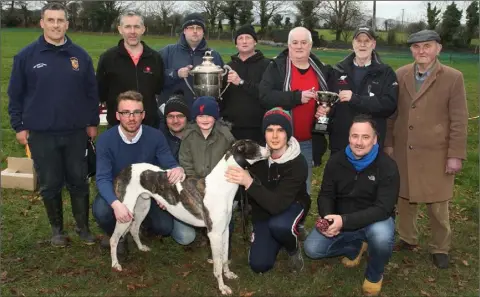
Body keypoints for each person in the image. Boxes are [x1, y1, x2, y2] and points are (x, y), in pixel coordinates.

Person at [7, 2, 99, 247]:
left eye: (61, 21)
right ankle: (57, 230)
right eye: (51, 20)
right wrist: (19, 126)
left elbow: (92, 93)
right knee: (50, 183)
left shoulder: (80, 56)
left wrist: (92, 122)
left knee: (79, 181)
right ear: (42, 23)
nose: (56, 25)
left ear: (67, 24)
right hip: (41, 133)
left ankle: (83, 228)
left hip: (75, 132)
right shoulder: (27, 56)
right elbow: (15, 95)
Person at [384, 30, 468, 269]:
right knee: (404, 199)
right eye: (416, 47)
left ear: (438, 48)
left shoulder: (453, 77)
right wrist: (388, 143)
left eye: (427, 46)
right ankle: (407, 238)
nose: (421, 51)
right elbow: (391, 114)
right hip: (403, 151)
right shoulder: (400, 75)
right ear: (411, 50)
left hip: (436, 154)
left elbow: (459, 120)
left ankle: (440, 247)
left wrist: (455, 154)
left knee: (438, 205)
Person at [304, 115, 400, 296]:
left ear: (375, 139)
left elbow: (383, 208)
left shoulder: (387, 166)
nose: (359, 142)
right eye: (355, 136)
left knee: (381, 237)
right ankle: (355, 246)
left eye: (365, 137)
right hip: (341, 221)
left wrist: (344, 221)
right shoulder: (336, 161)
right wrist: (328, 218)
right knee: (312, 249)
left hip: (374, 221)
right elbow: (326, 194)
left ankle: (374, 274)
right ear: (349, 137)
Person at [92, 91, 195, 253]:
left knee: (165, 227)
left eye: (136, 112)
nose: (131, 118)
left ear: (143, 115)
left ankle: (138, 226)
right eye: (126, 113)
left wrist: (177, 169)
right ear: (118, 115)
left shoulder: (155, 136)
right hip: (118, 189)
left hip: (148, 188)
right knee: (102, 211)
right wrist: (116, 204)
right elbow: (103, 178)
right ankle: (118, 234)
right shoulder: (106, 140)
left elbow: (168, 162)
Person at [259, 26, 334, 238]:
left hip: (308, 140)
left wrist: (325, 108)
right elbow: (264, 96)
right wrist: (295, 97)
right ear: (288, 45)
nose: (299, 46)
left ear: (310, 45)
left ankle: (297, 224)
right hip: (279, 141)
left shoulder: (320, 68)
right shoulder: (277, 67)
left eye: (304, 42)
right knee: (277, 184)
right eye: (295, 42)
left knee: (304, 186)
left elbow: (329, 97)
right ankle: (273, 223)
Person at [225, 107, 310, 273]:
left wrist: (248, 181)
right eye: (270, 130)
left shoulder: (298, 162)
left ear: (288, 134)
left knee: (280, 225)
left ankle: (292, 247)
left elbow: (277, 204)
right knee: (259, 265)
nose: (275, 136)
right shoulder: (256, 156)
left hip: (290, 206)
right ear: (264, 133)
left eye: (280, 130)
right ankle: (278, 238)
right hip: (263, 212)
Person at [318, 26, 398, 153]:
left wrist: (356, 99)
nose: (362, 45)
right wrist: (327, 109)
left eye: (367, 41)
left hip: (370, 145)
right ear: (353, 43)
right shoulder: (337, 70)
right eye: (358, 41)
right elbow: (331, 100)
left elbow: (389, 105)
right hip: (341, 143)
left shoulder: (386, 73)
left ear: (373, 44)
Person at [179, 96, 236, 257]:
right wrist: (194, 184)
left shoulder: (226, 137)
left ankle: (224, 247)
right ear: (194, 117)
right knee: (201, 212)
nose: (205, 119)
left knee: (225, 214)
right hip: (195, 185)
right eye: (200, 116)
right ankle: (205, 234)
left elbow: (233, 162)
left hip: (221, 187)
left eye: (209, 115)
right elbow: (185, 161)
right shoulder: (188, 137)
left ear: (215, 117)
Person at [96, 11, 164, 128]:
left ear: (143, 29)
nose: (132, 31)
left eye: (136, 27)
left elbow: (158, 88)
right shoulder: (108, 58)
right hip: (117, 127)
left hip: (149, 127)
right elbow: (101, 93)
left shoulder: (155, 58)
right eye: (128, 27)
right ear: (120, 29)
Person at [159, 13, 223, 110]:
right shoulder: (168, 51)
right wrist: (176, 74)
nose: (195, 31)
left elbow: (222, 84)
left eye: (199, 28)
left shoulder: (214, 55)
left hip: (203, 115)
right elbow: (156, 78)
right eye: (191, 28)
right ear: (184, 30)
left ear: (203, 32)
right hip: (174, 114)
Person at [220, 24, 270, 145]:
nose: (244, 41)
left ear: (255, 42)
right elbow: (221, 97)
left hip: (258, 128)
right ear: (236, 44)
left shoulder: (267, 65)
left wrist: (241, 82)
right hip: (231, 128)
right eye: (240, 38)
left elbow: (267, 94)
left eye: (248, 37)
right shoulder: (228, 66)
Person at [159, 90, 190, 160]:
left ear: (187, 118)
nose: (175, 121)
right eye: (170, 116)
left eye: (180, 116)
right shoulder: (158, 141)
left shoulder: (196, 139)